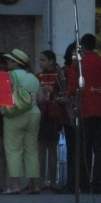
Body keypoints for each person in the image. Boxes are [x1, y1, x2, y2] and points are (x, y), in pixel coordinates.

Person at [67, 34, 101, 195]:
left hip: (85, 111)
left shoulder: (78, 66)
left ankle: (85, 183)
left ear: (82, 46)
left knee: (84, 149)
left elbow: (72, 88)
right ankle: (96, 183)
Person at [0, 48, 40, 194]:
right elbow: (40, 98)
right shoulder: (33, 77)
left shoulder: (10, 75)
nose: (8, 63)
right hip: (34, 114)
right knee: (32, 150)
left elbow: (1, 94)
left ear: (16, 63)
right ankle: (35, 185)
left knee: (13, 149)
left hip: (15, 114)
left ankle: (15, 185)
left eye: (10, 60)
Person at [36, 50, 63, 191]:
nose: (41, 63)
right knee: (40, 148)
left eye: (43, 60)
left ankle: (53, 180)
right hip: (40, 114)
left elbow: (62, 93)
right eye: (40, 60)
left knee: (52, 148)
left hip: (53, 114)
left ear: (52, 61)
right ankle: (40, 181)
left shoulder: (59, 76)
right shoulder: (37, 76)